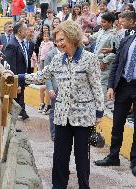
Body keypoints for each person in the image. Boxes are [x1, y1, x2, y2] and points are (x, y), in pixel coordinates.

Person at [17, 20, 104, 188]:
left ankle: (84, 185)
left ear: (73, 37)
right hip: (62, 116)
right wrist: (18, 77)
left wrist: (99, 113)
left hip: (83, 116)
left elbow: (96, 86)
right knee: (59, 157)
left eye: (62, 39)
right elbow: (40, 76)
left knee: (81, 158)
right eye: (57, 40)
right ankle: (58, 186)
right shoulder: (57, 60)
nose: (59, 43)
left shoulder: (90, 59)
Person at [93, 35, 136, 177]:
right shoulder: (127, 40)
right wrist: (111, 86)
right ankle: (113, 156)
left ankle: (134, 161)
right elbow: (116, 64)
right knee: (117, 124)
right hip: (123, 86)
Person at [87, 12, 119, 105]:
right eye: (101, 22)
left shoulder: (114, 34)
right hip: (96, 60)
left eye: (104, 22)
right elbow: (92, 37)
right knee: (96, 81)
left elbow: (116, 52)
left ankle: (103, 103)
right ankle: (98, 101)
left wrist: (105, 61)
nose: (102, 24)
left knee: (103, 82)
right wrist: (84, 34)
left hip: (105, 62)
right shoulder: (101, 31)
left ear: (110, 23)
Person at [5, 22, 29, 120]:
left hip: (22, 78)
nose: (27, 32)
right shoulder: (12, 45)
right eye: (25, 30)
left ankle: (14, 125)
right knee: (13, 105)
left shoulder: (21, 43)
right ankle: (11, 128)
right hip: (16, 81)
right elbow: (11, 67)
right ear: (19, 32)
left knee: (19, 102)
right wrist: (16, 84)